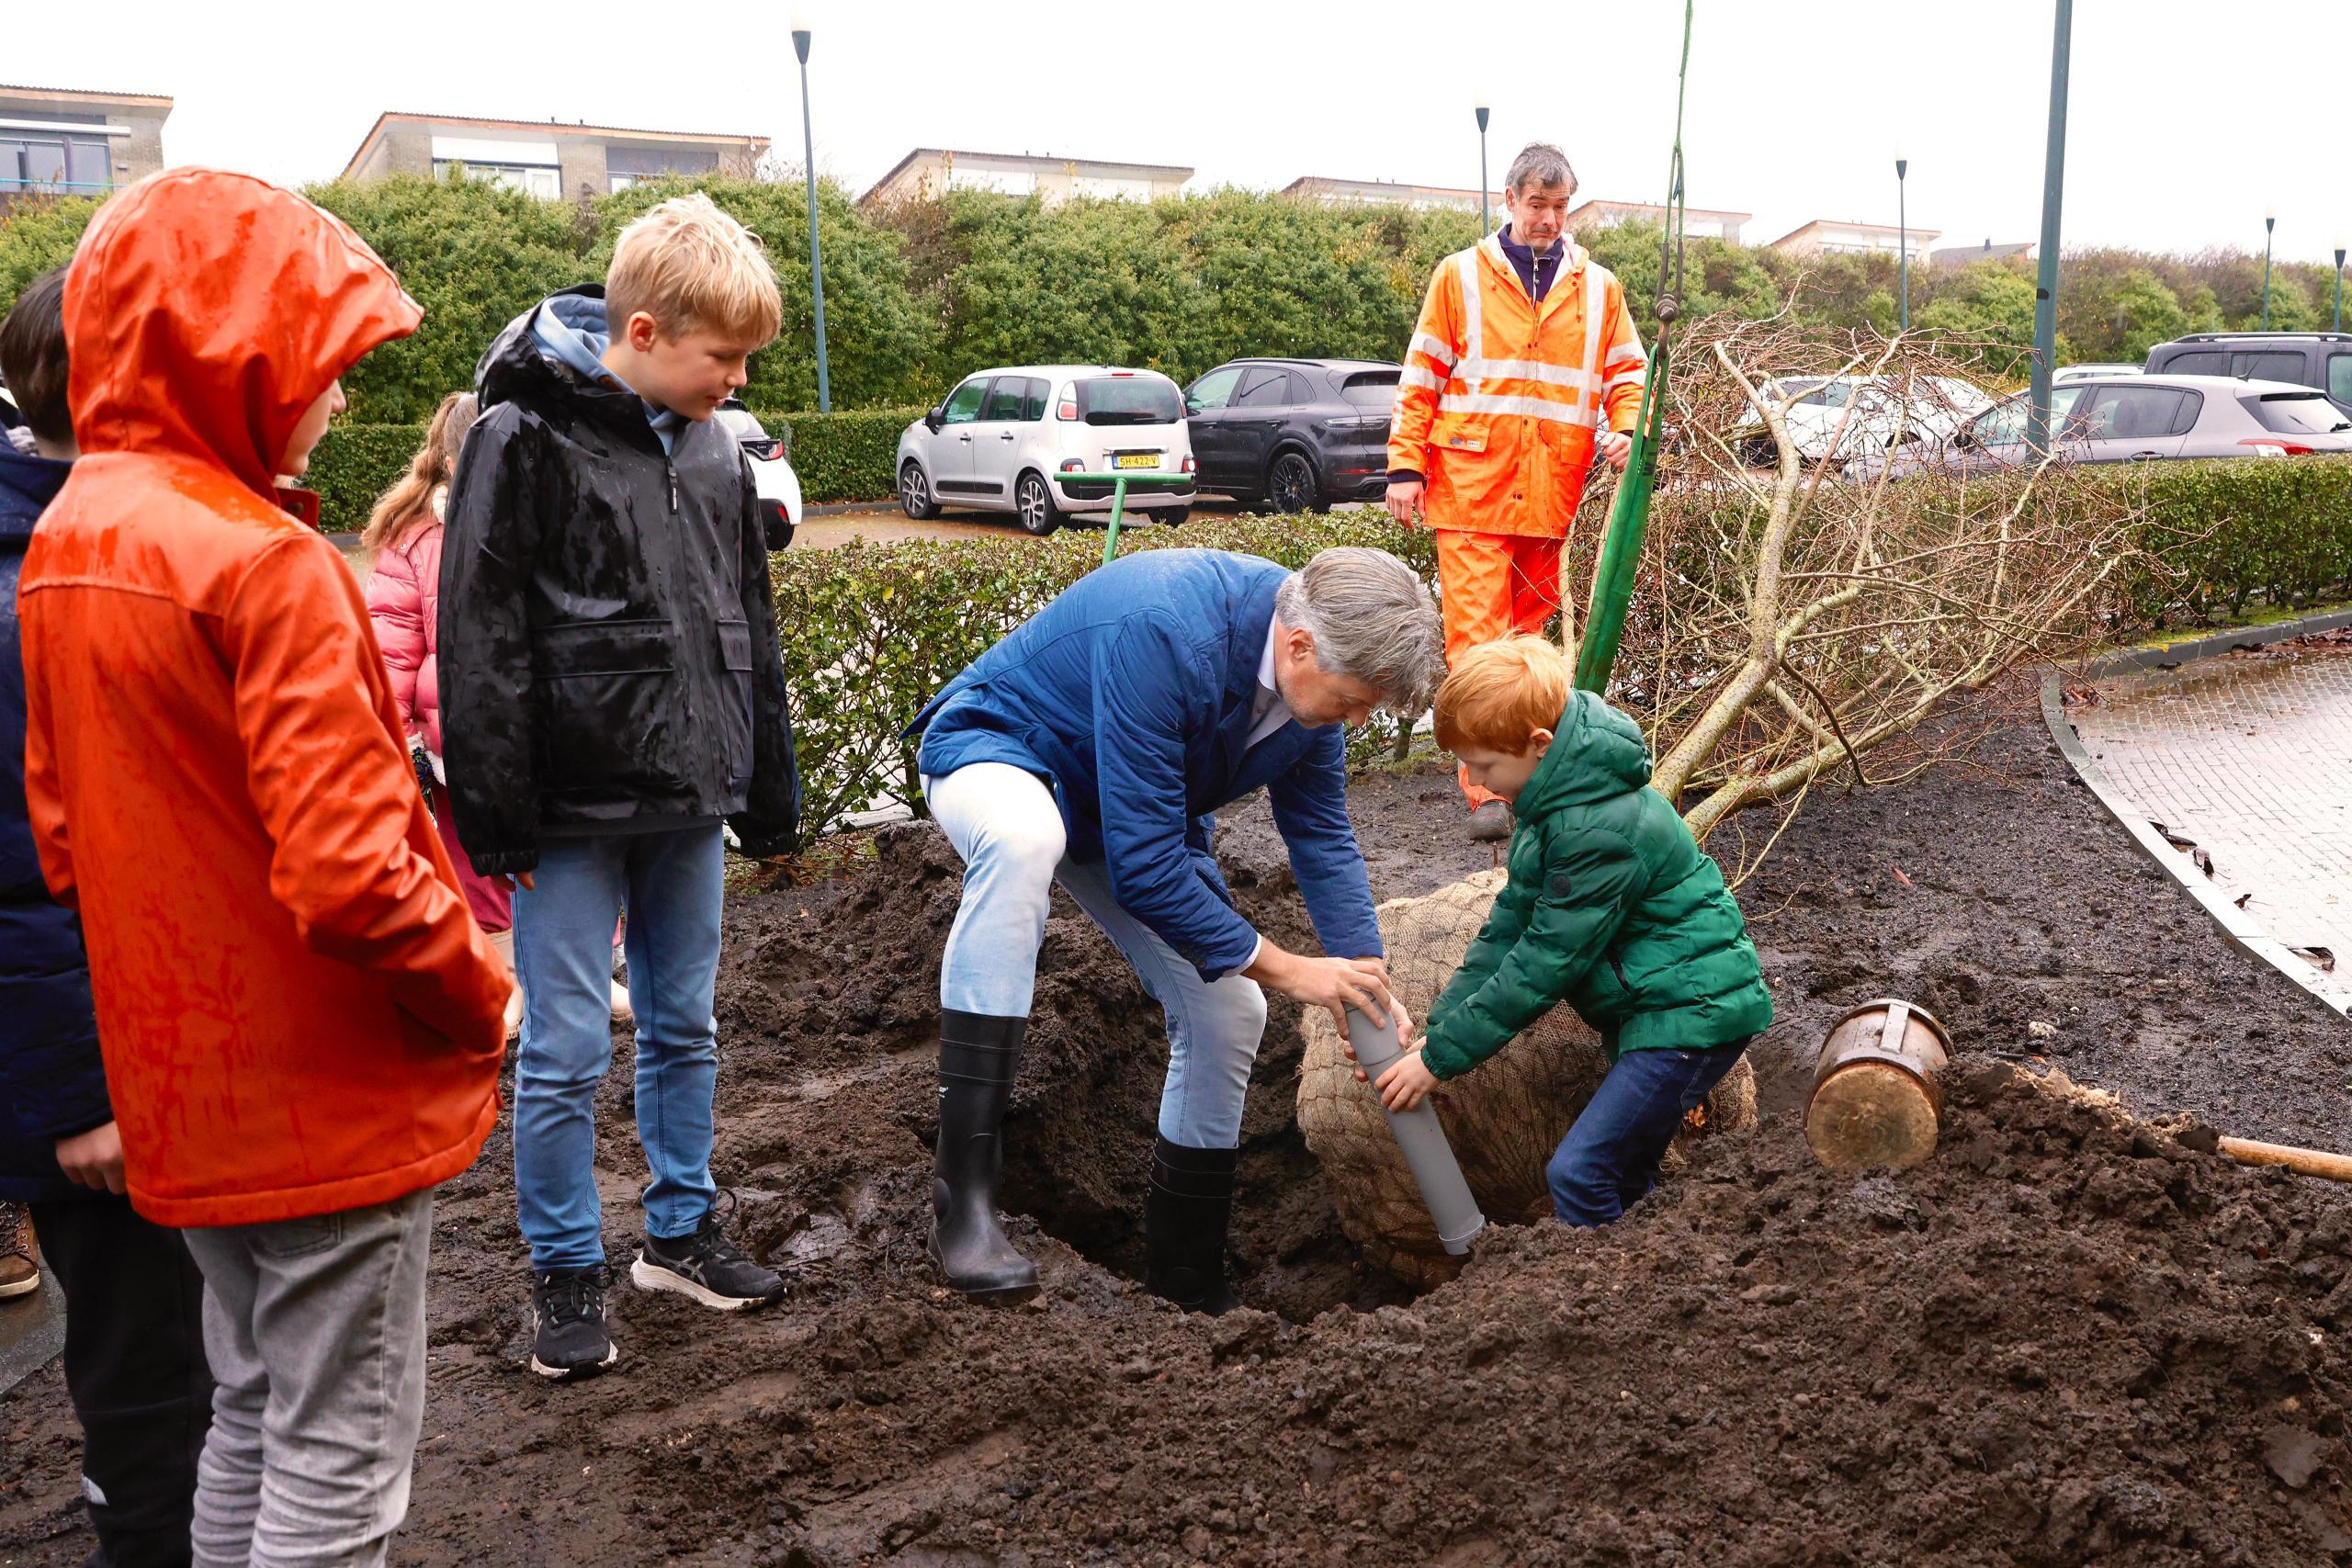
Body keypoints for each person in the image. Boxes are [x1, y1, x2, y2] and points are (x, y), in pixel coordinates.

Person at [17, 169, 512, 1565]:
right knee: (340, 1465)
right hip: (323, 1102)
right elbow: (354, 872)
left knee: (245, 1408)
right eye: (324, 362)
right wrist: (480, 987)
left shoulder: (73, 535)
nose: (343, 399)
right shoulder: (265, 560)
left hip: (188, 1091)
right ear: (226, 348)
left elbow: (63, 829)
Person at [438, 193, 799, 1382]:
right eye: (724, 356)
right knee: (563, 1048)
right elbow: (479, 630)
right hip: (570, 810)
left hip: (687, 794)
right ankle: (564, 1266)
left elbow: (749, 620)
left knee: (686, 1021)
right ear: (642, 330)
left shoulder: (709, 443)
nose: (738, 379)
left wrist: (767, 785)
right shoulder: (519, 437)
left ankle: (681, 1233)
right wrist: (493, 811)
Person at [908, 546, 1444, 1313]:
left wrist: (1367, 984)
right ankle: (960, 1206)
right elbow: (1148, 866)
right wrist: (1297, 971)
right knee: (1026, 838)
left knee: (1230, 1010)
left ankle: (1186, 1284)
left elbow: (1323, 834)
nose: (1356, 720)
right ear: (1299, 647)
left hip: (1115, 809)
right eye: (1357, 700)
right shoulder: (1168, 629)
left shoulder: (1313, 677)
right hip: (1004, 751)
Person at [2, 265, 215, 1565]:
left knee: (187, 1371)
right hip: (101, 1079)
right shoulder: (34, 582)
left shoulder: (106, 538)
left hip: (158, 1044)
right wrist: (80, 1093)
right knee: (145, 1388)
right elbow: (15, 867)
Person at [1362, 637, 1772, 1225]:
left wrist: (1442, 1060)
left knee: (1578, 1174)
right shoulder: (1553, 799)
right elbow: (1508, 927)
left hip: (1690, 1016)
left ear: (1539, 744)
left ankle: (1598, 1297)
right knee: (1626, 1172)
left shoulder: (1593, 828)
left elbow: (1545, 960)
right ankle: (1651, 1271)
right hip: (1661, 1007)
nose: (1476, 781)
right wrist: (1438, 1032)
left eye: (1484, 766)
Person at [1385, 142, 1651, 840]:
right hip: (1472, 490)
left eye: (1561, 207)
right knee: (1476, 647)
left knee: (1531, 650)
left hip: (1549, 495)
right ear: (1510, 201)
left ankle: (1530, 776)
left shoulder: (1599, 289)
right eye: (1538, 205)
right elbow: (1422, 378)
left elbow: (1629, 374)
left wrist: (1629, 428)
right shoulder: (1460, 277)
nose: (1550, 220)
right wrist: (1404, 468)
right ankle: (1485, 792)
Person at [361, 393, 631, 1039]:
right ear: (453, 462)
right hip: (461, 752)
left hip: (541, 742)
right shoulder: (418, 541)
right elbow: (392, 648)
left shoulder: (538, 520)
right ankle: (512, 990)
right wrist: (399, 743)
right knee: (485, 876)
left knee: (565, 859)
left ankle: (589, 971)